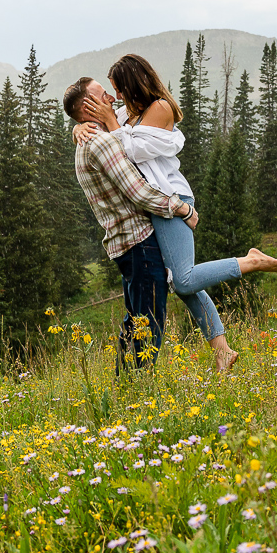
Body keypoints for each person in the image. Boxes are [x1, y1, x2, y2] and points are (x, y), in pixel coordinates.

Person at [67, 60, 277, 370]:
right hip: (158, 203)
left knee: (183, 279)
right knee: (179, 282)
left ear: (131, 83)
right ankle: (222, 350)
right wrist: (80, 124)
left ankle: (250, 261)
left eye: (116, 89)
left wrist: (180, 207)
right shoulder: (124, 113)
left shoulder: (160, 108)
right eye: (108, 93)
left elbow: (133, 153)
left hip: (170, 198)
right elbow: (100, 129)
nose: (114, 97)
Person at [62, 76, 196, 373]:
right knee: (149, 320)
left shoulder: (87, 140)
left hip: (125, 244)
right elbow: (138, 191)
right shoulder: (101, 143)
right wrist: (182, 208)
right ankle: (137, 386)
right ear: (88, 107)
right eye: (102, 95)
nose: (110, 98)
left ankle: (126, 385)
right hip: (139, 242)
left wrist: (76, 127)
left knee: (136, 319)